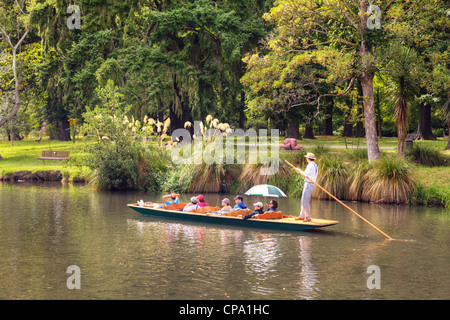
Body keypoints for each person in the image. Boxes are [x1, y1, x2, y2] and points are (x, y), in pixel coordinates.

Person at [295, 152, 318, 222]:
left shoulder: (310, 165)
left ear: (308, 158)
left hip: (309, 184)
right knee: (303, 199)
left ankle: (308, 217)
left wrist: (299, 171)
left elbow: (305, 174)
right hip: (309, 183)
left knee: (305, 200)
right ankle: (302, 216)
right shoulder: (314, 165)